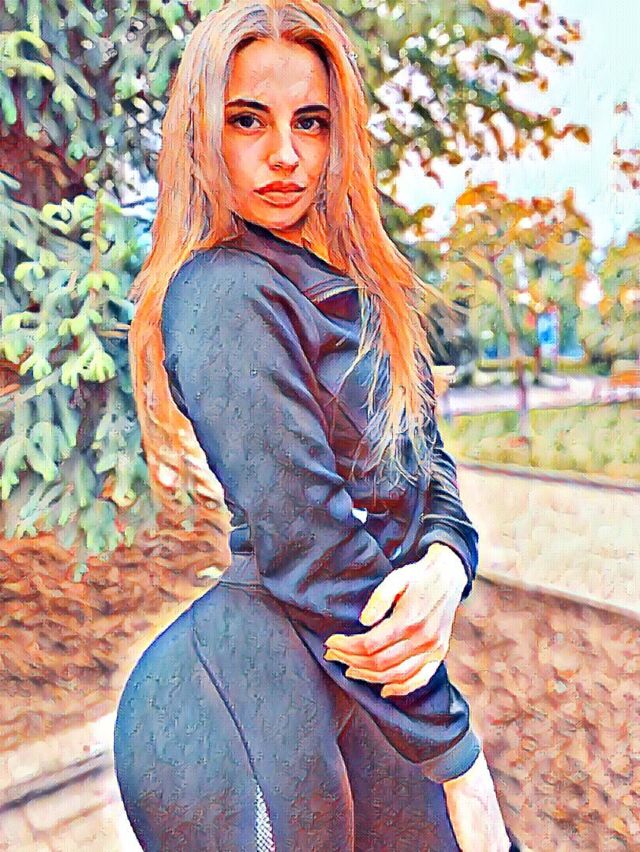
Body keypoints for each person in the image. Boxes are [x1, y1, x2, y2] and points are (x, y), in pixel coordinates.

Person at [114, 2, 522, 849]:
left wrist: (445, 565)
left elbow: (426, 464)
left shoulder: (364, 291)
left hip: (359, 678)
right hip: (234, 705)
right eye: (247, 120)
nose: (284, 154)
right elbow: (310, 542)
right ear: (203, 134)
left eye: (310, 121)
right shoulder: (222, 290)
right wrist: (458, 757)